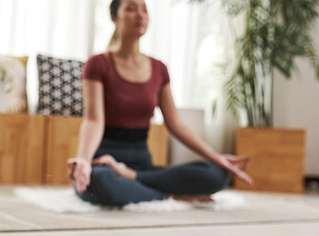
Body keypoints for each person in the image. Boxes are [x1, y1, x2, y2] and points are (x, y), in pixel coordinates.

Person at [67, 0, 253, 206]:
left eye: (144, 9)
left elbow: (176, 125)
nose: (140, 15)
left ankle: (133, 179)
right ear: (114, 17)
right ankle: (169, 196)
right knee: (100, 182)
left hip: (143, 168)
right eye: (130, 8)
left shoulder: (159, 68)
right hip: (104, 163)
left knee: (216, 174)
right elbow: (93, 120)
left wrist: (217, 157)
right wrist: (83, 160)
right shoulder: (98, 64)